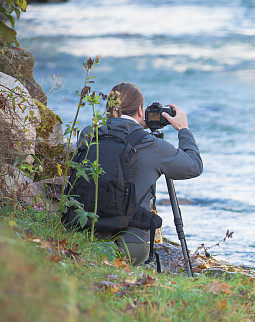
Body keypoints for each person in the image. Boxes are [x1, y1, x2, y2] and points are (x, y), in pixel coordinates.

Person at [77, 82, 203, 265]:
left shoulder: (88, 133)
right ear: (140, 110)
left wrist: (135, 124)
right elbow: (194, 166)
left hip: (84, 231)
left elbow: (117, 134)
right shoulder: (152, 146)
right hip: (130, 244)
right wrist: (183, 129)